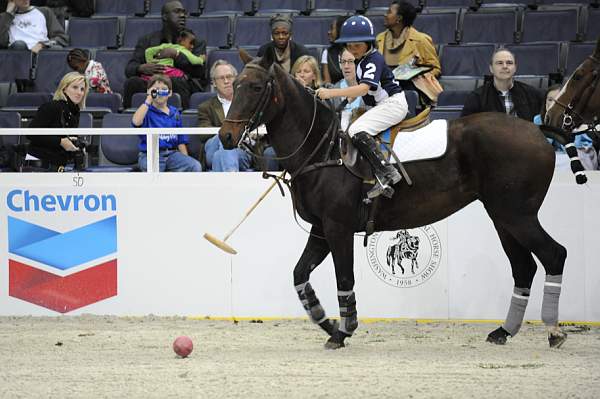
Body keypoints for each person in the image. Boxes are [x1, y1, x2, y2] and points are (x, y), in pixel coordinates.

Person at [316, 15, 407, 200]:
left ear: (368, 43)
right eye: (349, 46)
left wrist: (331, 93)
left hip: (393, 104)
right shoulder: (361, 60)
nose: (353, 49)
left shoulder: (374, 59)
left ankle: (387, 172)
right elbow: (362, 91)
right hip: (381, 104)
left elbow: (365, 88)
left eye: (357, 45)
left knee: (356, 129)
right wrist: (349, 98)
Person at [123, 0, 206, 109]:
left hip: (181, 85)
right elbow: (130, 68)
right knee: (132, 83)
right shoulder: (147, 40)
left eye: (184, 12)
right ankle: (131, 120)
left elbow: (199, 72)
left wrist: (176, 55)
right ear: (165, 17)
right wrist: (141, 68)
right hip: (152, 81)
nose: (182, 16)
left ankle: (181, 120)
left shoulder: (194, 41)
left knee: (176, 81)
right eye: (177, 12)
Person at [132, 74, 201, 172]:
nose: (159, 93)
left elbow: (180, 140)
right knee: (155, 170)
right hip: (150, 154)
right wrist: (148, 100)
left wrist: (185, 158)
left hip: (172, 154)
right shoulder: (145, 110)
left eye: (163, 89)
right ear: (149, 91)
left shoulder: (175, 112)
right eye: (156, 90)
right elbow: (136, 121)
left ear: (170, 93)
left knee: (194, 166)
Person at [198, 60, 253, 172]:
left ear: (236, 79)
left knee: (219, 156)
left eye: (229, 76)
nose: (226, 81)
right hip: (212, 147)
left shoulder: (249, 104)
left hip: (242, 150)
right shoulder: (206, 107)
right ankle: (232, 183)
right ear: (214, 82)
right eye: (221, 78)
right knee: (225, 137)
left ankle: (227, 182)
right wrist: (227, 132)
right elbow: (203, 133)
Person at [27, 71, 87, 171]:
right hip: (39, 166)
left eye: (82, 89)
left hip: (57, 166)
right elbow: (31, 133)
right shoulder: (52, 106)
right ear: (64, 88)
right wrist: (60, 141)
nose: (79, 93)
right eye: (75, 87)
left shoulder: (75, 111)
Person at [461, 48, 543, 121]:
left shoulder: (532, 94)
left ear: (515, 68)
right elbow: (464, 128)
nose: (505, 66)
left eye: (509, 63)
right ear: (491, 68)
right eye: (499, 63)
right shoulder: (476, 97)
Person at [534, 84, 598, 171]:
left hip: (580, 153)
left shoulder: (575, 119)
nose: (553, 103)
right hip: (554, 156)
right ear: (545, 102)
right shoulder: (538, 119)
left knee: (568, 162)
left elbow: (577, 147)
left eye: (558, 100)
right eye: (550, 100)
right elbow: (540, 147)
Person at [376, 1, 440, 76]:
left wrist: (417, 77)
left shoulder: (421, 40)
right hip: (382, 85)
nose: (385, 15)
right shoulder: (379, 39)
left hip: (409, 85)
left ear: (399, 18)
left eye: (389, 12)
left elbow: (435, 68)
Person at [0, 0, 68, 53]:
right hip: (19, 54)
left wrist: (42, 45)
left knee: (56, 49)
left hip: (42, 51)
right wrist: (8, 14)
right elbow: (2, 42)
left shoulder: (45, 11)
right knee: (19, 45)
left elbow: (62, 38)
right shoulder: (5, 17)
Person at [332, 48, 365, 132]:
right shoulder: (334, 90)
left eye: (350, 61)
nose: (346, 66)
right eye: (343, 62)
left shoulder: (370, 88)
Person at [321, 16, 347, 85]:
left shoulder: (356, 52)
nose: (329, 32)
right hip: (335, 93)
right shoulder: (327, 53)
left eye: (332, 28)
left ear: (341, 30)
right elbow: (327, 81)